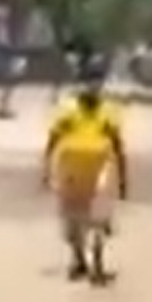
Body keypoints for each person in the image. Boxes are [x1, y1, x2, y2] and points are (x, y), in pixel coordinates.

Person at [42, 59, 128, 285]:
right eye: (89, 81)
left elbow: (118, 144)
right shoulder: (68, 110)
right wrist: (46, 168)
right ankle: (79, 259)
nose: (93, 86)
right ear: (82, 83)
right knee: (73, 220)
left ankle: (97, 265)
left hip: (100, 165)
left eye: (97, 81)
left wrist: (123, 178)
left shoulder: (109, 111)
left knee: (99, 217)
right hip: (71, 167)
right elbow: (53, 139)